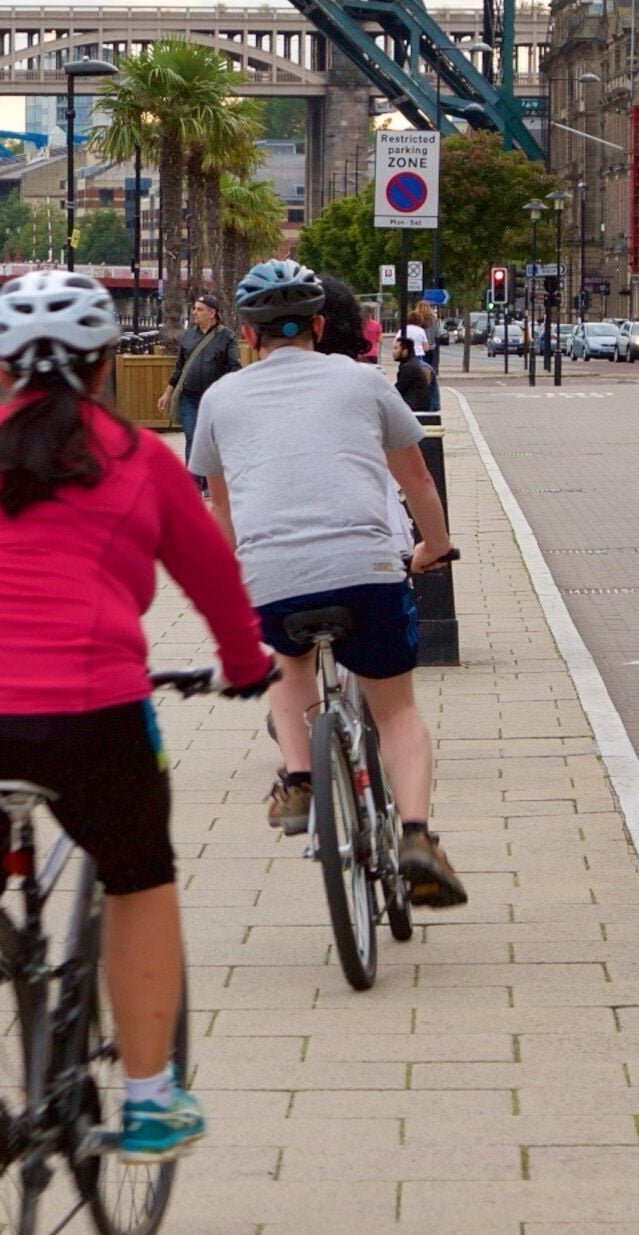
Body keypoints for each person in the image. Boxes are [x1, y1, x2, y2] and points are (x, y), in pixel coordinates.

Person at [0, 270, 271, 1163]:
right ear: (103, 367)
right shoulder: (137, 455)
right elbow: (213, 578)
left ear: (0, 370)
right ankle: (148, 1101)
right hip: (86, 711)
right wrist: (248, 666)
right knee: (138, 873)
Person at [195, 260, 466, 907]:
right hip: (366, 568)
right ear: (319, 326)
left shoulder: (219, 399)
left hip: (272, 576)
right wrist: (434, 545)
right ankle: (417, 836)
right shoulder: (362, 380)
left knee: (284, 663)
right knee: (396, 711)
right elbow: (416, 478)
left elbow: (221, 509)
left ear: (247, 334)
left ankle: (298, 779)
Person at [170, 291, 238, 458]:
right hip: (189, 398)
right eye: (194, 309)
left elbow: (234, 367)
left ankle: (210, 474)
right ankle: (192, 476)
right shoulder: (187, 335)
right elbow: (180, 366)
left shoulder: (227, 337)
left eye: (199, 309)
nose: (194, 312)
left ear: (212, 313)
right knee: (193, 438)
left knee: (213, 441)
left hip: (215, 398)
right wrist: (168, 392)